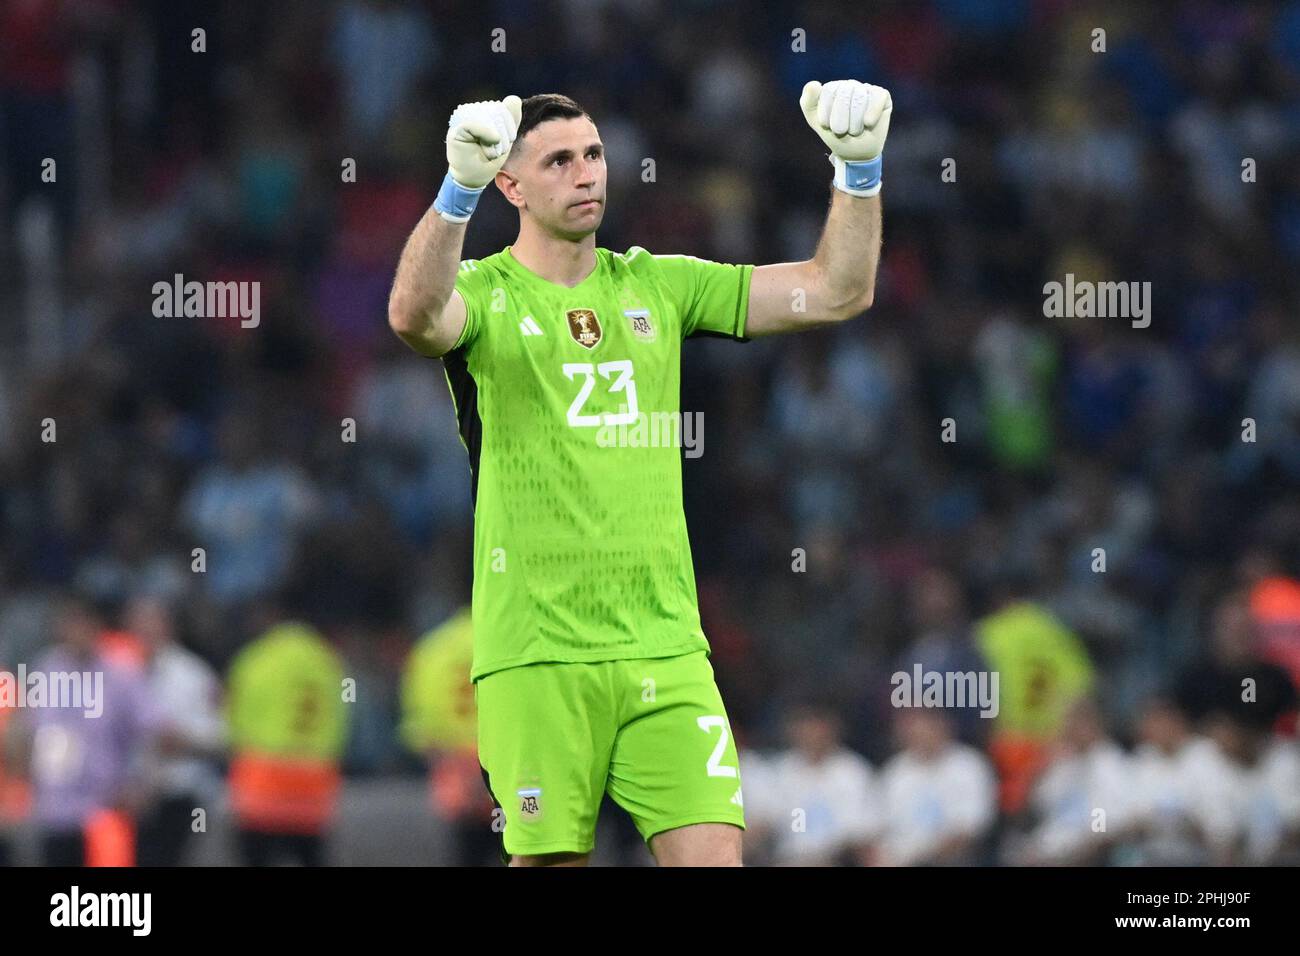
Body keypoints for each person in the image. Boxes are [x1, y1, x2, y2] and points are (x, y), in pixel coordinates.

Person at [388, 82, 891, 866]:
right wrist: (457, 192)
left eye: (593, 154)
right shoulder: (485, 296)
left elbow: (836, 291)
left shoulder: (660, 283)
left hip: (666, 647)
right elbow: (414, 316)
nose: (586, 173)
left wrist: (858, 173)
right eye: (558, 161)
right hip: (539, 650)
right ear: (510, 185)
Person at [128, 595, 226, 867]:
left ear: (169, 626)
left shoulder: (193, 674)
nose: (144, 629)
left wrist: (182, 742)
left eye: (152, 622)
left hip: (178, 792)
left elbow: (220, 737)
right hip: (130, 795)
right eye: (138, 622)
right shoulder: (121, 669)